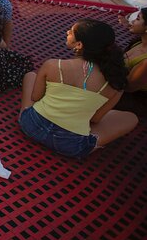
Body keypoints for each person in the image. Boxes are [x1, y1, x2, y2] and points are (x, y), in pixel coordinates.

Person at [19, 19, 138, 159]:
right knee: (131, 118)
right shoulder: (116, 84)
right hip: (71, 145)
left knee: (30, 76)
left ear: (79, 44)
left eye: (71, 31)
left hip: (31, 126)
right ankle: (81, 134)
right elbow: (95, 119)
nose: (67, 32)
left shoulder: (52, 65)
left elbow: (36, 97)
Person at [117, 8, 147, 110]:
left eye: (138, 19)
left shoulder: (145, 62)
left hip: (134, 98)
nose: (133, 21)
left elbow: (129, 88)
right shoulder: (139, 42)